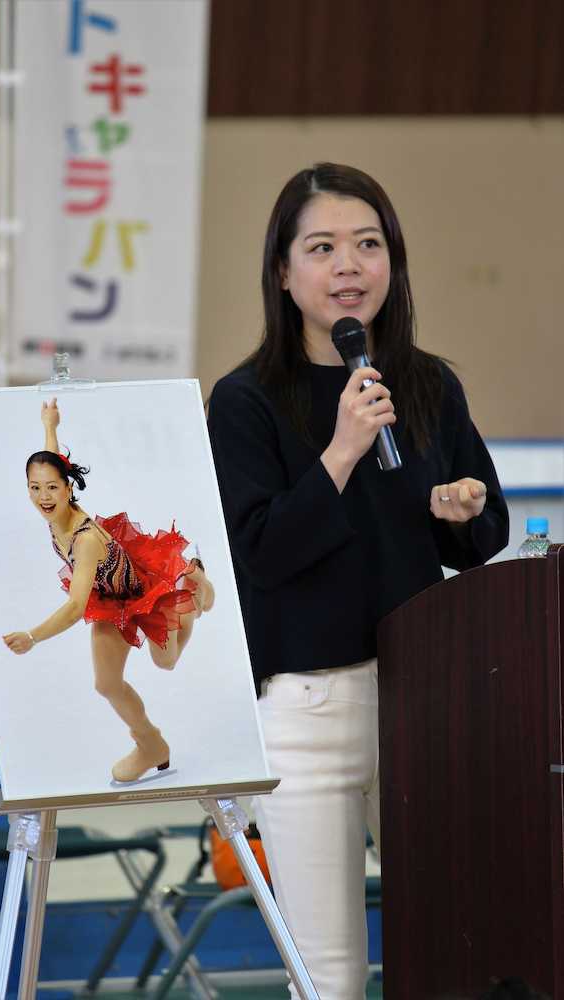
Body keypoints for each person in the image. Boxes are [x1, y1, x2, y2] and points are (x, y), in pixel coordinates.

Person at [207, 163, 509, 999]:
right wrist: (340, 450)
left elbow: (483, 540)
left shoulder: (424, 384)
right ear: (283, 271)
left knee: (453, 950)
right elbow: (261, 553)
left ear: (392, 262)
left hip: (422, 698)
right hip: (306, 712)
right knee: (331, 974)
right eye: (324, 247)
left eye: (368, 244)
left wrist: (460, 508)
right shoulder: (244, 402)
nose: (349, 265)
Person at [2, 398, 214, 783]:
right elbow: (51, 456)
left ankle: (191, 587)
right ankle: (151, 744)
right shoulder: (52, 505)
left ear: (68, 489)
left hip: (142, 596)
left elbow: (73, 608)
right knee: (106, 683)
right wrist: (50, 423)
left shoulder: (85, 541)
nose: (43, 497)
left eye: (51, 487)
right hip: (110, 599)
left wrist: (33, 636)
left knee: (165, 662)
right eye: (35, 488)